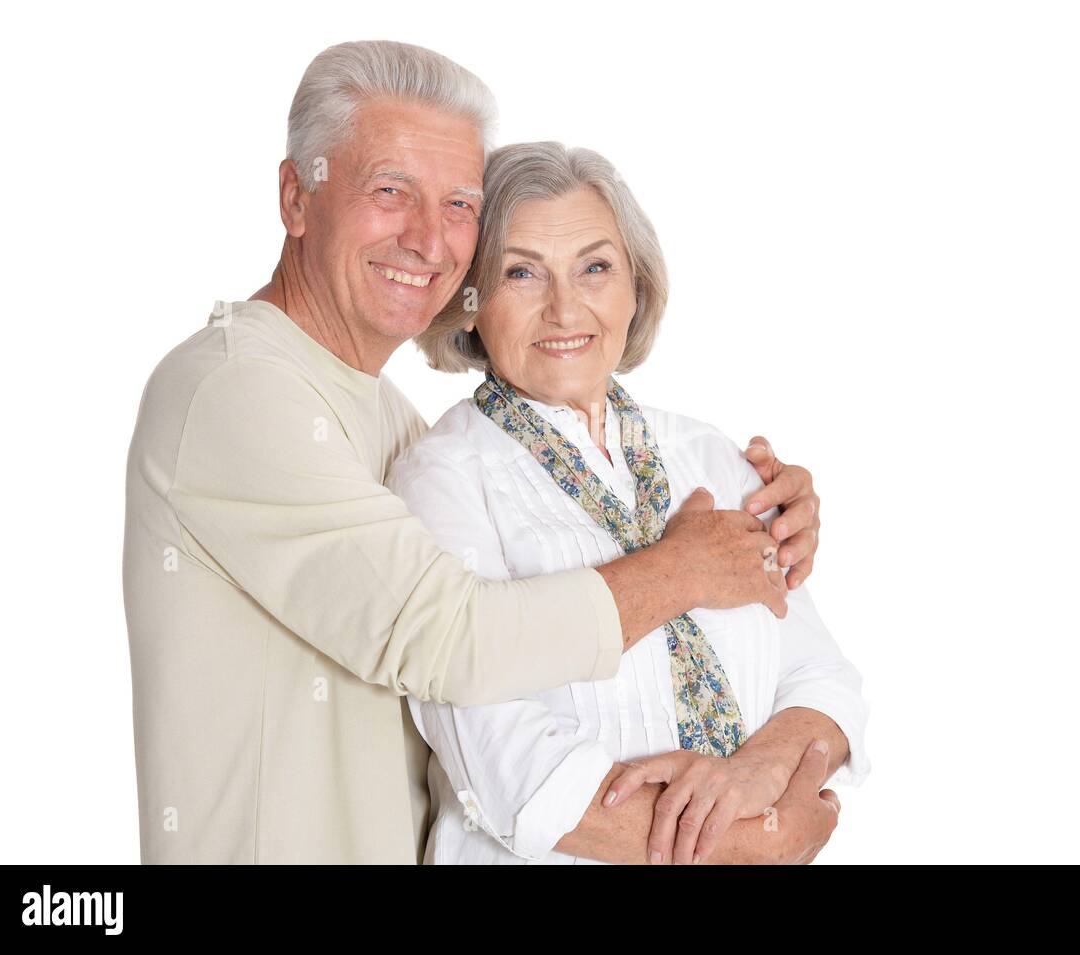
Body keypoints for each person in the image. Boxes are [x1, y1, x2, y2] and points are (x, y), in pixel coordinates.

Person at [123, 39, 829, 863]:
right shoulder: (235, 389)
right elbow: (450, 643)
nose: (428, 238)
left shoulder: (390, 420)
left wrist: (778, 527)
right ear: (296, 196)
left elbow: (818, 674)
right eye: (389, 190)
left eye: (458, 203)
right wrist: (688, 570)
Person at [390, 142, 870, 865]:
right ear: (470, 298)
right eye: (520, 272)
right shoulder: (443, 478)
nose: (565, 307)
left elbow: (823, 678)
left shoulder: (709, 455)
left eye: (595, 267)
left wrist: (759, 772)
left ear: (636, 288)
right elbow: (505, 765)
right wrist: (749, 846)